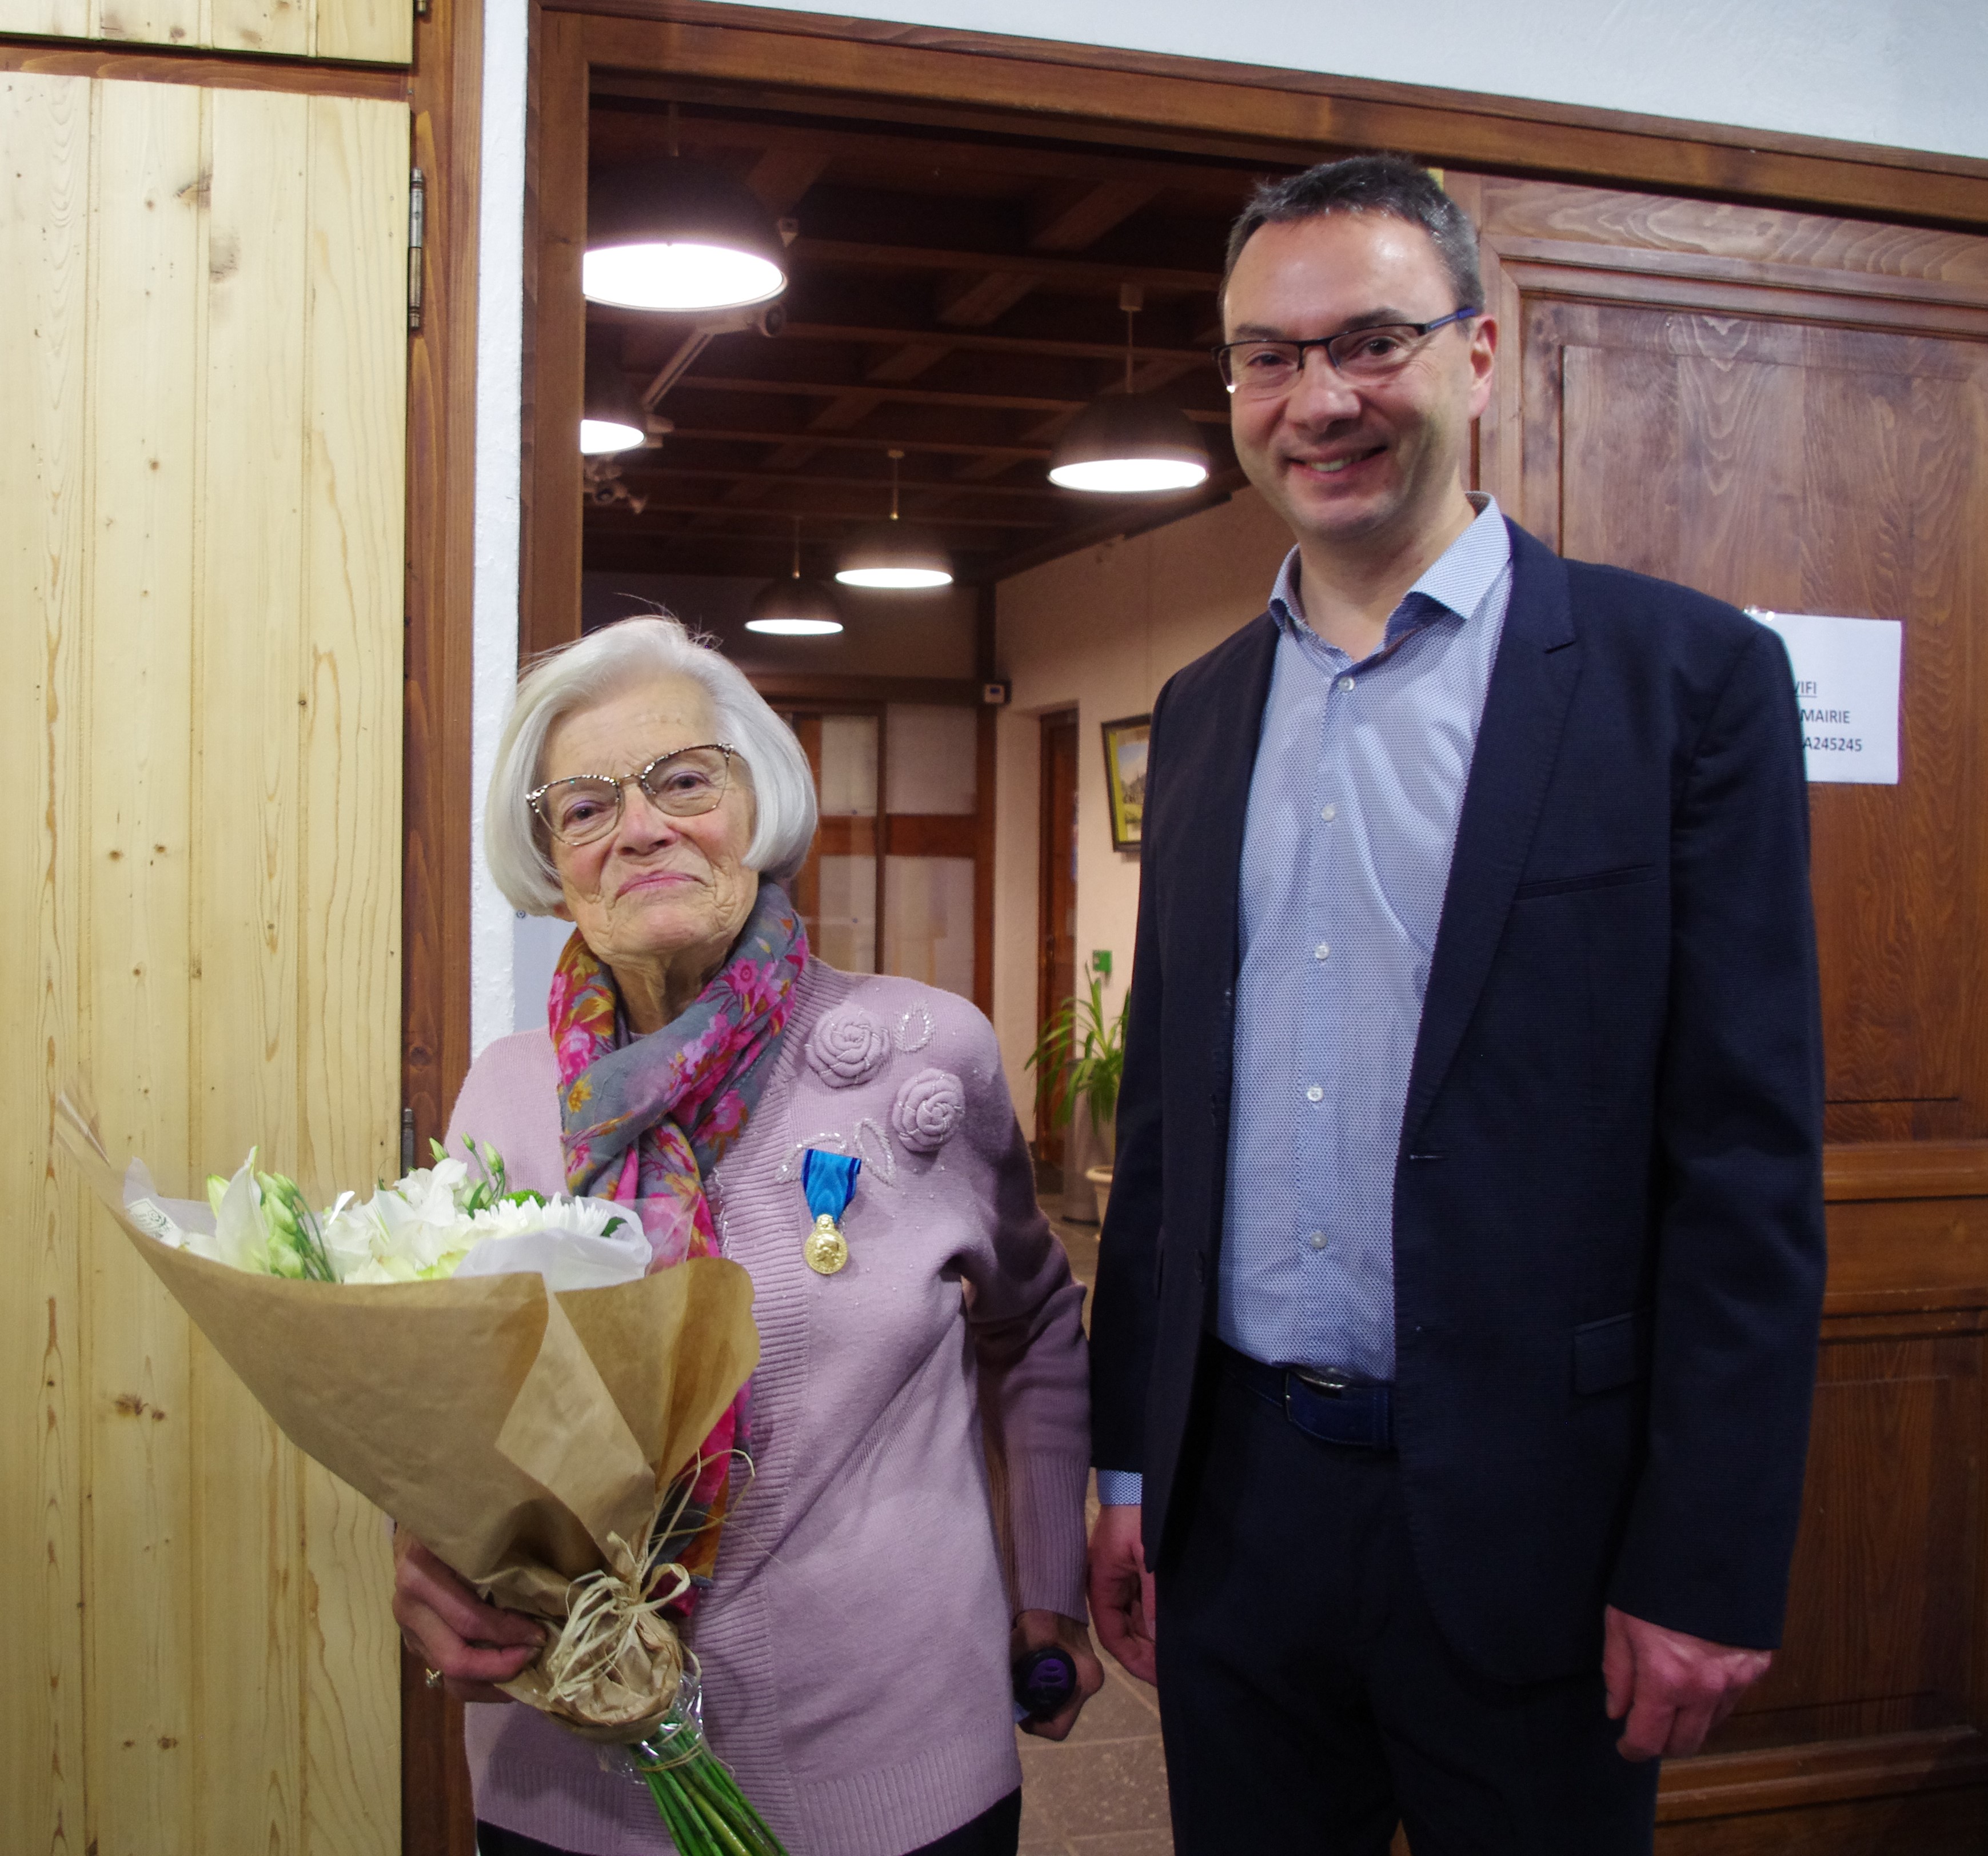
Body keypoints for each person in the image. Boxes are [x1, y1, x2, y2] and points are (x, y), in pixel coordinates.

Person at [1085, 154, 1826, 1855]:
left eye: (1368, 341)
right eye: (1265, 358)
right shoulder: (1198, 714)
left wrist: (1701, 1557)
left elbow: (1742, 1163)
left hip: (1539, 1530)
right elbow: (1168, 1133)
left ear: (1475, 356)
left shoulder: (1682, 683)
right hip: (1242, 1510)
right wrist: (1132, 1469)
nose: (1316, 399)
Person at [393, 616, 1100, 1856]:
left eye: (682, 779)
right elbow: (448, 1398)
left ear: (757, 798)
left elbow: (1034, 1316)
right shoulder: (502, 1096)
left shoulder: (926, 1054)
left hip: (894, 1768)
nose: (642, 827)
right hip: (571, 1775)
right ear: (550, 857)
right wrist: (422, 1548)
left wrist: (1047, 1583)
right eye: (584, 806)